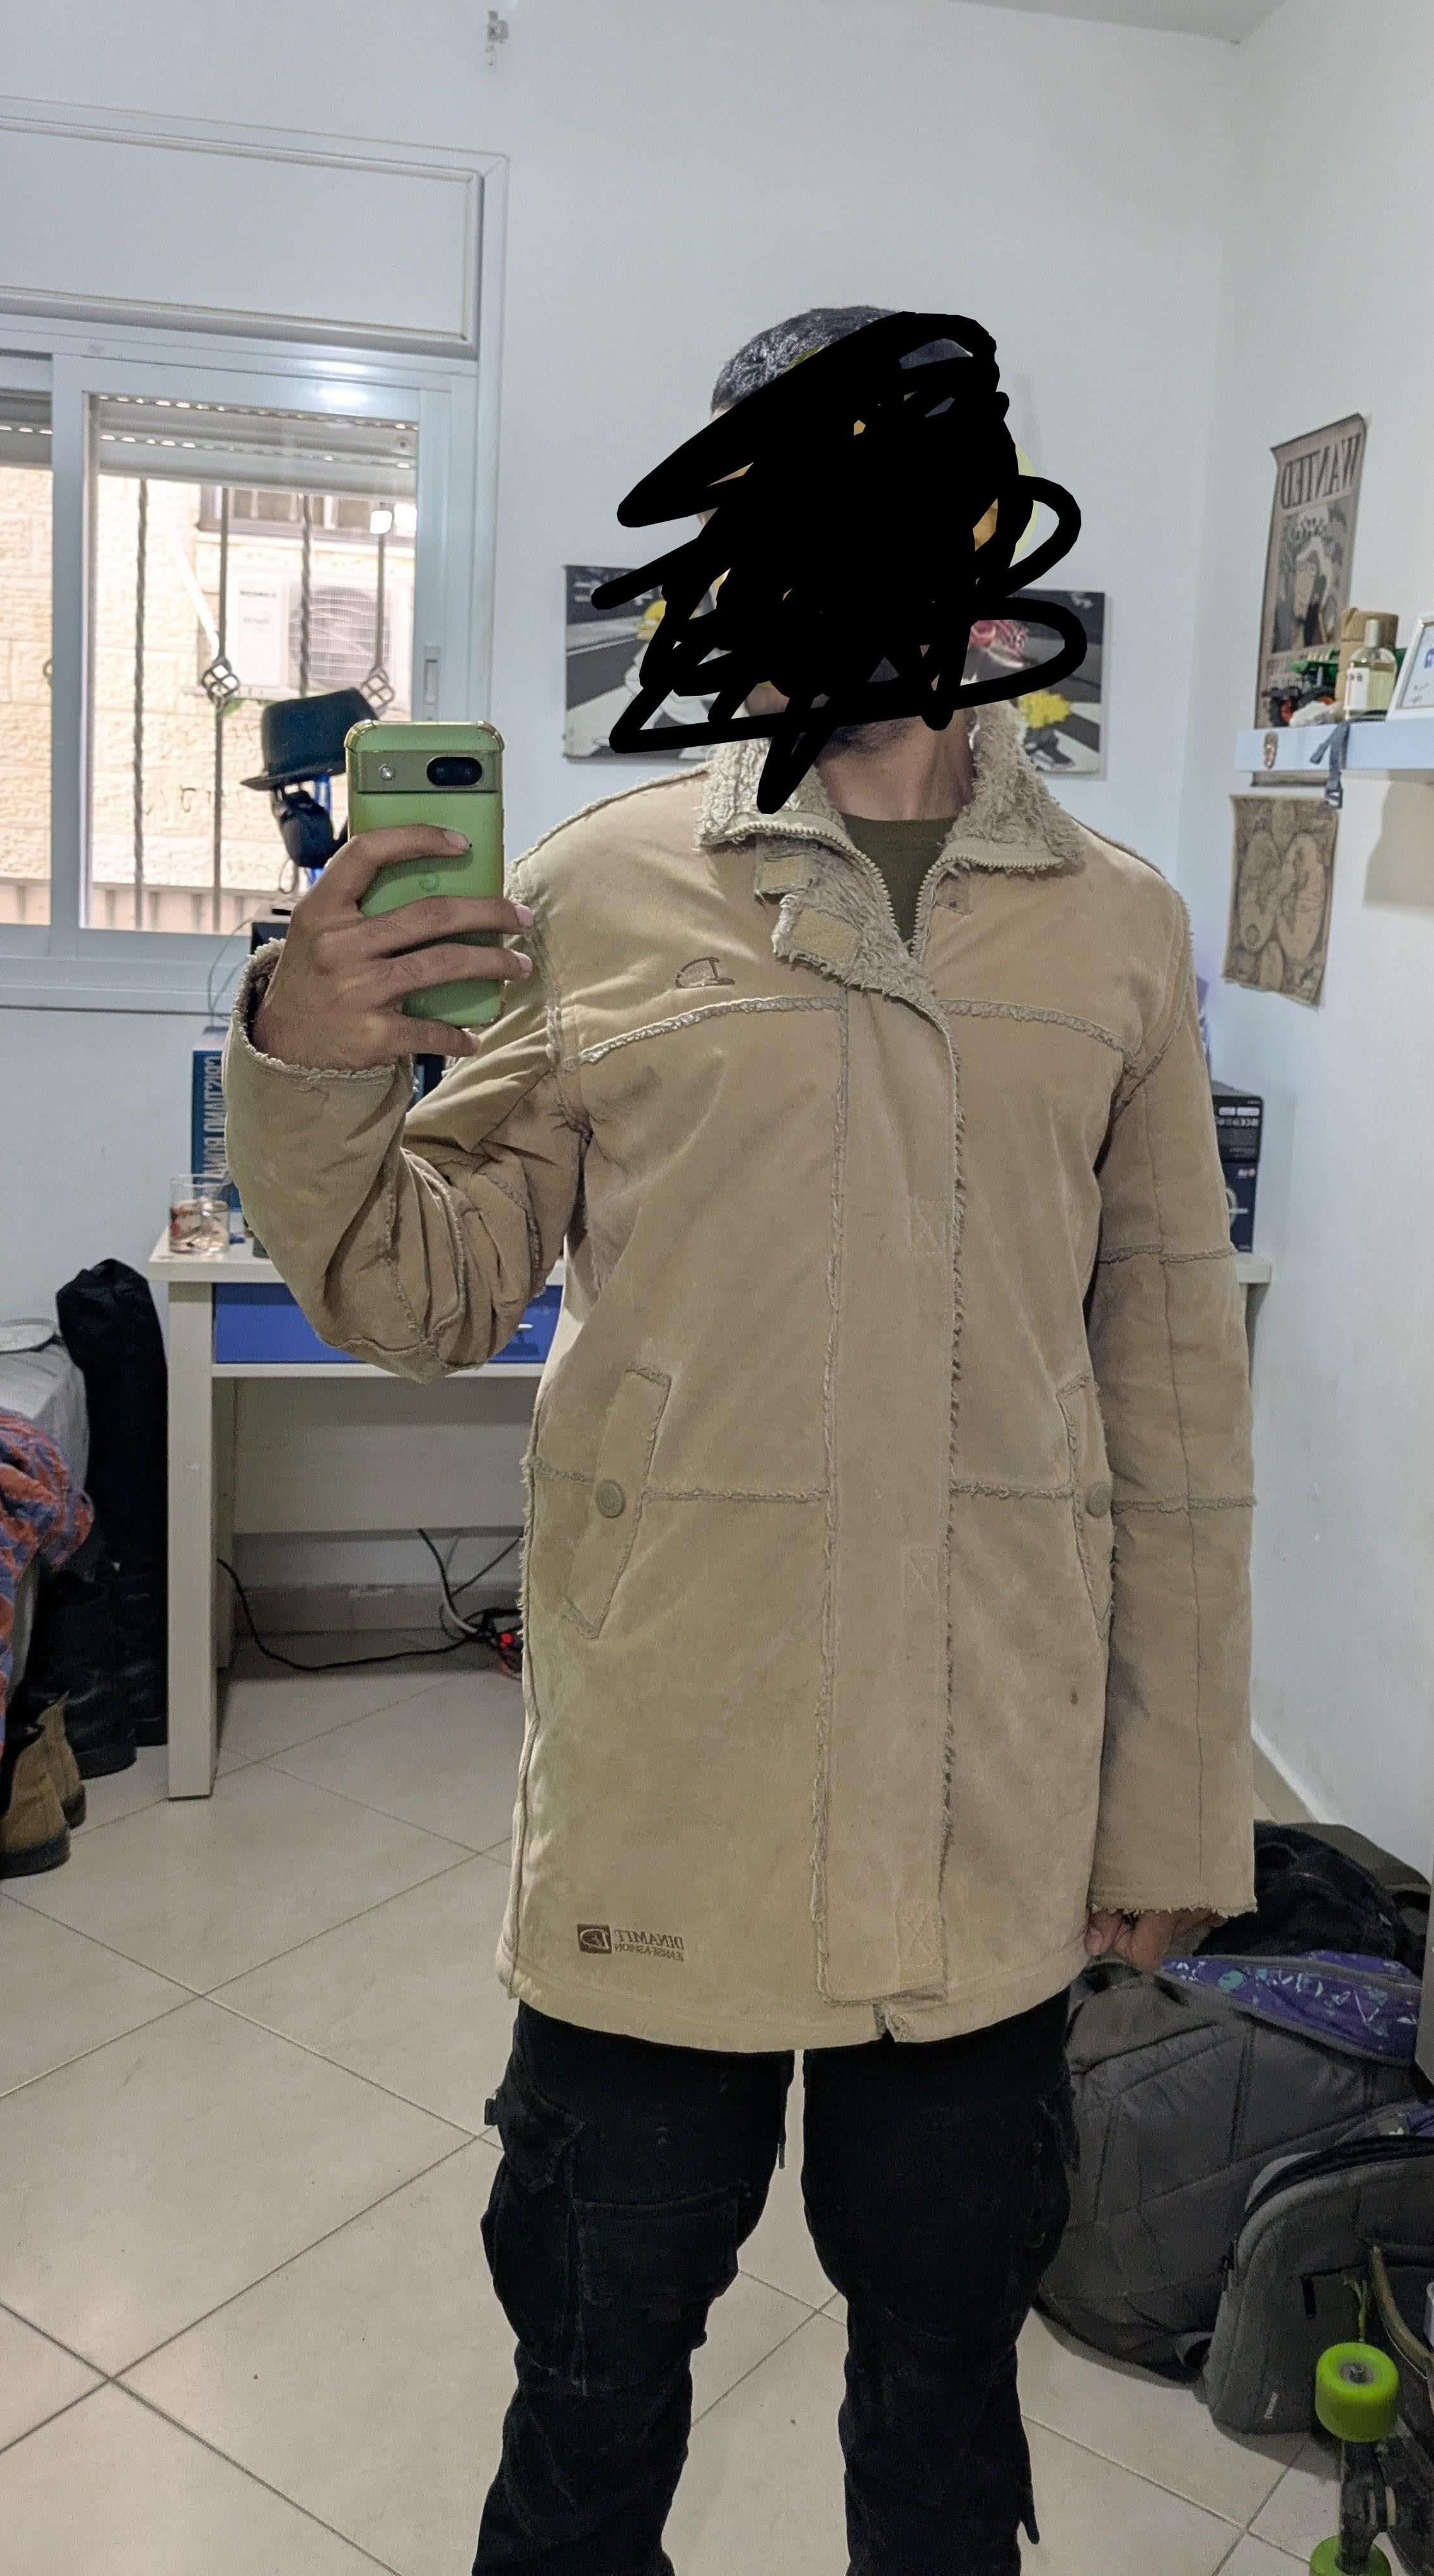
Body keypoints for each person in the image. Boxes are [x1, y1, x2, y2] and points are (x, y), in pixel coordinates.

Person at [224, 306, 1254, 2575]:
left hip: (984, 1802)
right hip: (667, 1802)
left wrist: (1173, 1790)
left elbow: (1176, 1390)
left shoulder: (1118, 933)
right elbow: (417, 1295)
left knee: (945, 2391)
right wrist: (306, 1051)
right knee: (593, 2389)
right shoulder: (596, 892)